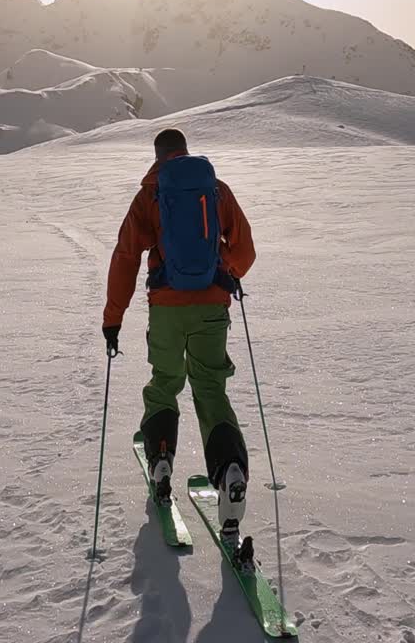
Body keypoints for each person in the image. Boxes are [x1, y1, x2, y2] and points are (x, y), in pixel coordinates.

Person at [102, 128, 256, 537]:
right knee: (210, 389)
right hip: (211, 308)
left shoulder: (150, 194)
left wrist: (113, 319)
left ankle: (161, 459)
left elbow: (125, 256)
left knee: (165, 383)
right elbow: (245, 253)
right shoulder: (215, 189)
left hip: (167, 308)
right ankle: (229, 472)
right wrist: (222, 272)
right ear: (185, 152)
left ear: (157, 156)